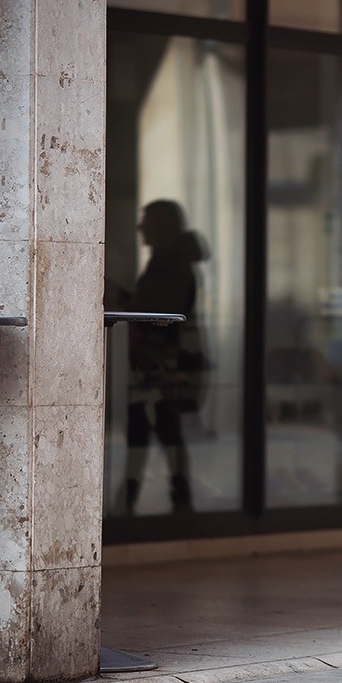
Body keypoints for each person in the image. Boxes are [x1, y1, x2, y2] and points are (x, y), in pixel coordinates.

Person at [121, 200, 208, 515]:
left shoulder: (170, 265)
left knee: (152, 433)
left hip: (161, 366)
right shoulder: (170, 263)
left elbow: (159, 313)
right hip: (159, 365)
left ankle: (129, 504)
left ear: (161, 226)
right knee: (161, 434)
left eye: (146, 221)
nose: (140, 227)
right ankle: (142, 502)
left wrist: (125, 302)